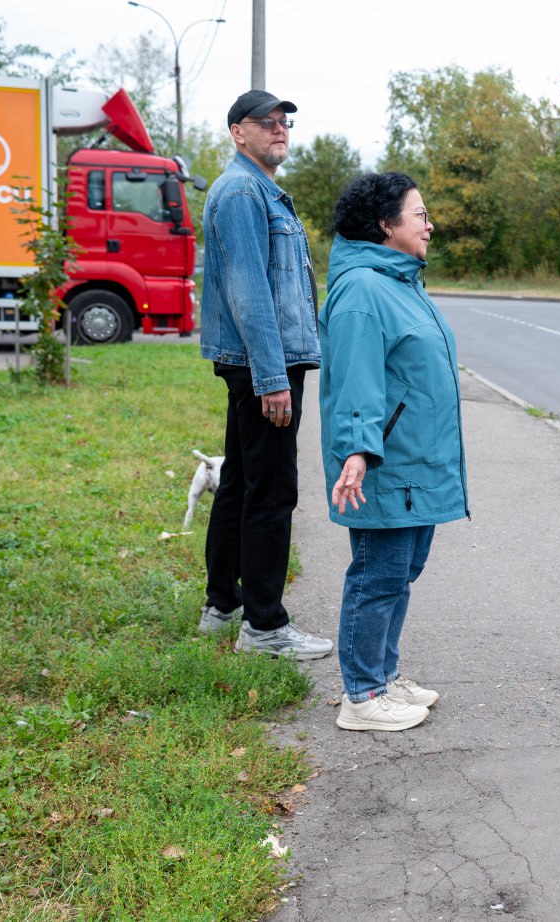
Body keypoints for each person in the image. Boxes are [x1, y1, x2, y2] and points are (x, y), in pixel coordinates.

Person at [317, 172, 470, 732]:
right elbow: (356, 380)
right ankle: (362, 696)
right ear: (386, 225)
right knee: (377, 576)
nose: (430, 225)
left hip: (414, 459)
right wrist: (357, 452)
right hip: (385, 462)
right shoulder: (363, 289)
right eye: (419, 214)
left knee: (401, 571)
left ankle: (382, 675)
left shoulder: (398, 281)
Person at [195, 89, 332, 661]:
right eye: (266, 122)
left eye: (285, 123)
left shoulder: (254, 190)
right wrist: (273, 378)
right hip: (263, 365)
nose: (280, 130)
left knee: (241, 486)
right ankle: (265, 627)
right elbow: (250, 290)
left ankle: (222, 606)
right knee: (272, 492)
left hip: (258, 361)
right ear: (237, 132)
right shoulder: (244, 193)